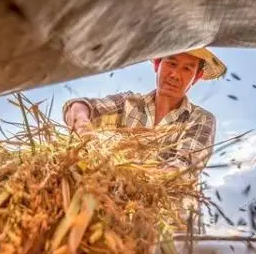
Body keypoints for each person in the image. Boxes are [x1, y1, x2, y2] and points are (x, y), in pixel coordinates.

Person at [63, 48, 227, 179]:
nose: (175, 75)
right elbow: (79, 107)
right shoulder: (128, 103)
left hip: (165, 217)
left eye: (187, 69)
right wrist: (84, 128)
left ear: (196, 77)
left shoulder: (201, 120)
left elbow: (182, 169)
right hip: (115, 206)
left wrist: (130, 177)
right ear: (157, 64)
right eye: (171, 63)